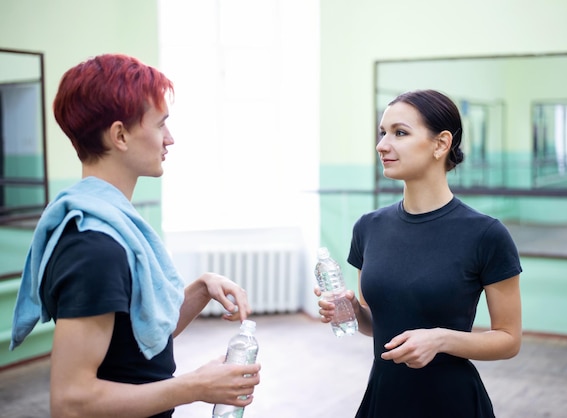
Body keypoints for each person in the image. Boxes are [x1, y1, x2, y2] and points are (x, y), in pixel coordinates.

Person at [10, 53, 261, 418]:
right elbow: (71, 401)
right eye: (161, 125)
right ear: (120, 135)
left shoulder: (112, 226)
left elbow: (140, 339)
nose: (170, 139)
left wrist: (202, 288)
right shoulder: (94, 247)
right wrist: (196, 386)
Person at [315, 89, 522, 417]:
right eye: (382, 133)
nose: (383, 145)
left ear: (440, 144)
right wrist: (353, 309)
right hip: (384, 398)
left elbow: (509, 340)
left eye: (400, 133)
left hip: (452, 403)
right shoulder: (368, 228)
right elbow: (376, 325)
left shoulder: (486, 234)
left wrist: (441, 339)